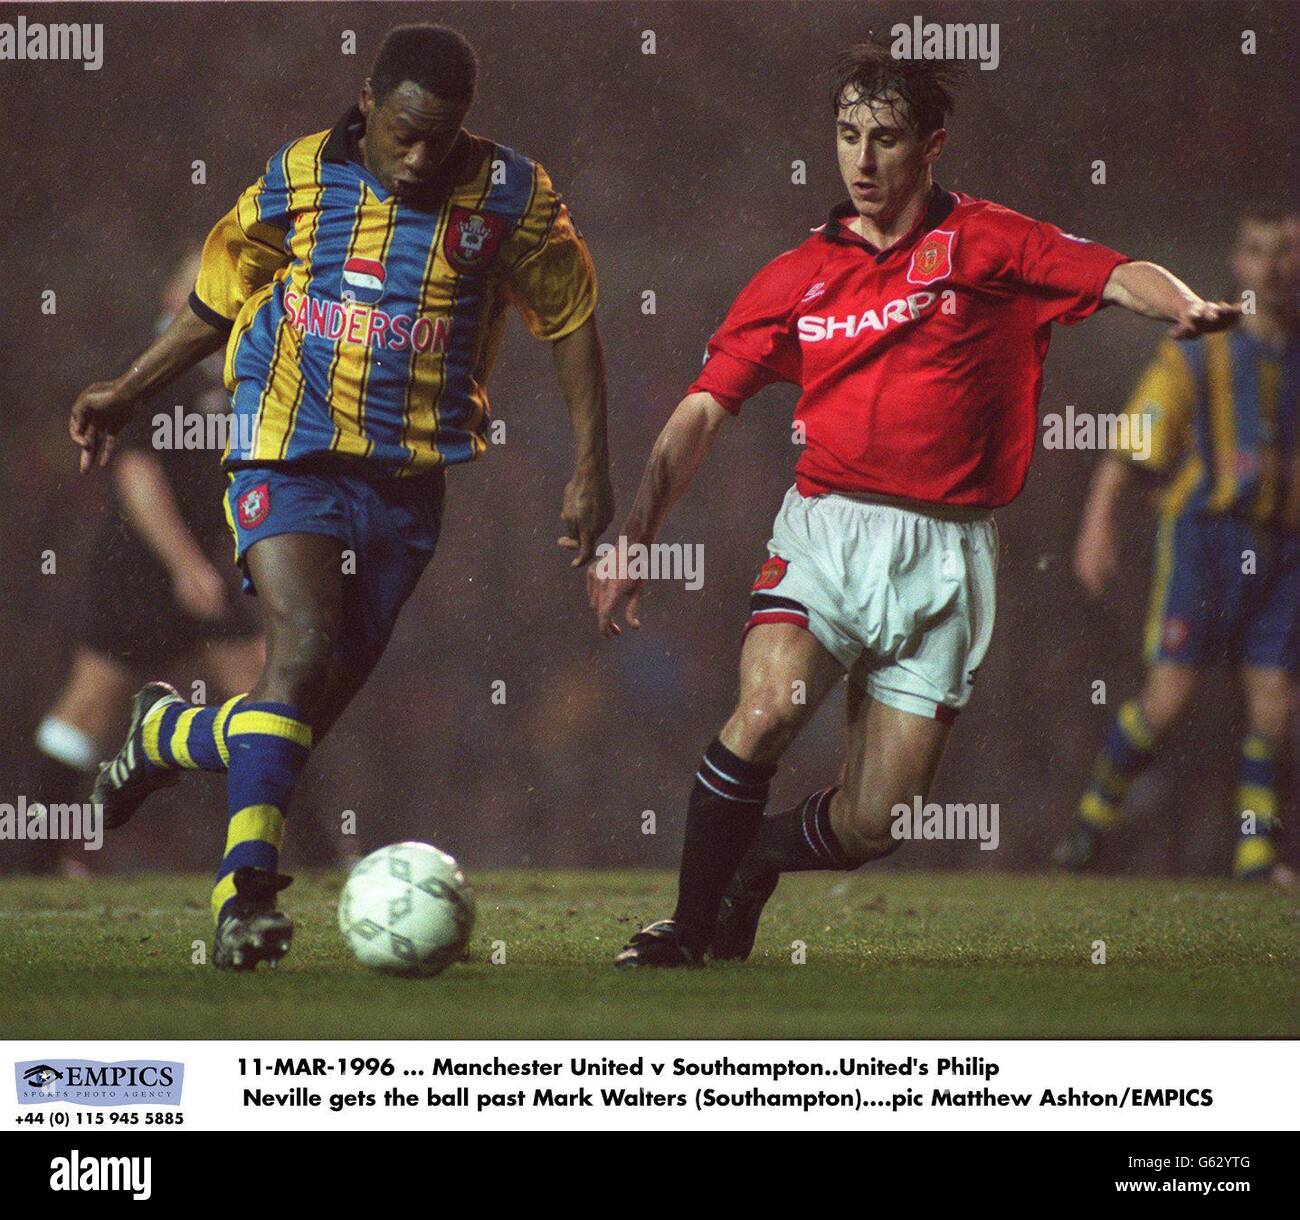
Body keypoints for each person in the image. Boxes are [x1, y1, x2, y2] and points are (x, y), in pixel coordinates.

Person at [590, 39, 1239, 968]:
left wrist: (1181, 305)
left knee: (873, 822)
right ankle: (687, 931)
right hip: (826, 530)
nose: (861, 159)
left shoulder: (990, 244)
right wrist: (637, 537)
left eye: (885, 138)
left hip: (947, 553)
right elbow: (700, 414)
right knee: (768, 709)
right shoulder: (795, 277)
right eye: (847, 134)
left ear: (932, 144)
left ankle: (760, 860)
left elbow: (1112, 270)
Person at [68, 23, 611, 969]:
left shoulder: (512, 198)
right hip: (288, 452)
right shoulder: (300, 179)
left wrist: (590, 466)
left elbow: (569, 320)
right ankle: (244, 899)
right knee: (303, 648)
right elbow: (216, 298)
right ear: (368, 102)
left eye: (439, 139)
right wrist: (128, 388)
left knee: (298, 713)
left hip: (408, 481)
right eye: (404, 132)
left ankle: (166, 734)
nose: (418, 157)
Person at [1055, 207, 1297, 881]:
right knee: (1167, 700)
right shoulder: (1199, 348)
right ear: (1238, 264)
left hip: (1284, 548)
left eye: (1285, 251)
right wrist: (1096, 523)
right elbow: (1133, 446)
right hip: (1204, 539)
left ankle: (1255, 854)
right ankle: (1091, 822)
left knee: (1275, 700)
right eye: (1259, 251)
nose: (1273, 266)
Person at [27, 251, 264, 876]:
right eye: (203, 288)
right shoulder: (159, 374)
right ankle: (36, 856)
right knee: (89, 709)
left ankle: (313, 851)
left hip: (207, 567)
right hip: (142, 569)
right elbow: (136, 471)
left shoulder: (236, 376)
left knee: (268, 693)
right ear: (170, 297)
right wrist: (186, 565)